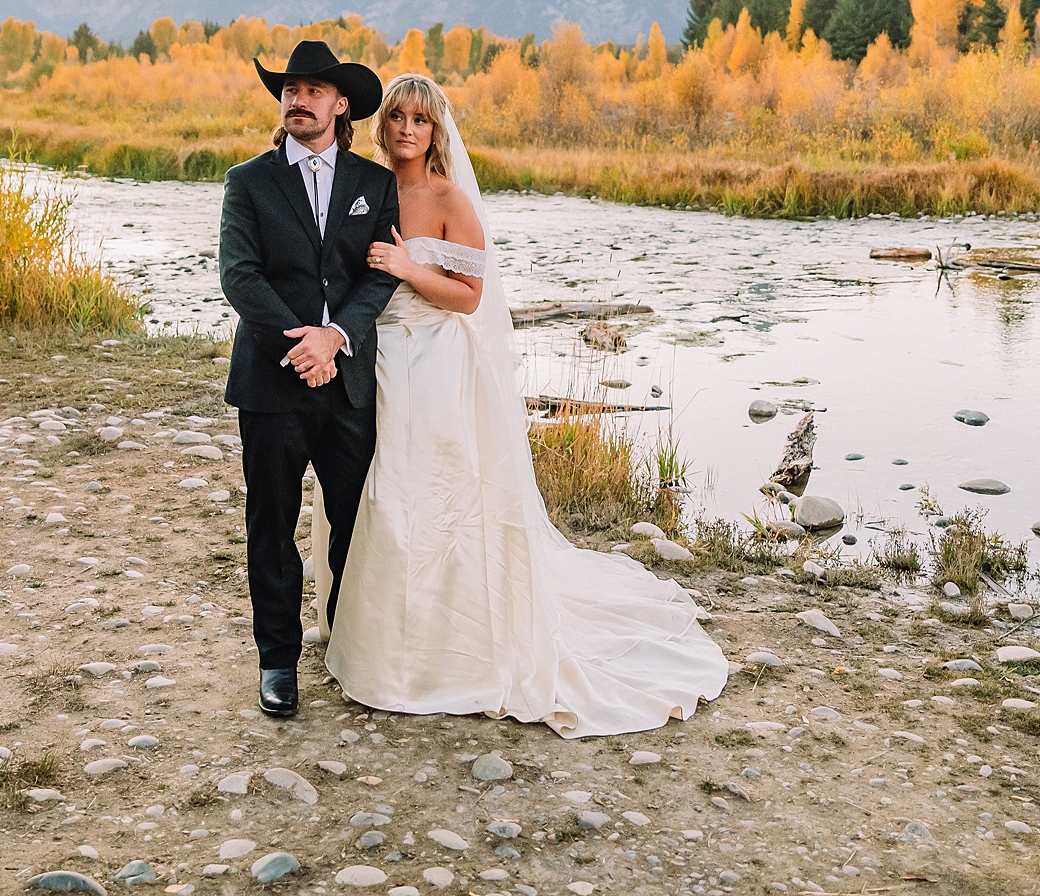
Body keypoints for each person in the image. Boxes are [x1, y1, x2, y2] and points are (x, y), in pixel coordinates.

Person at [318, 73, 728, 738]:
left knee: (420, 491)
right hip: (377, 355)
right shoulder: (364, 186)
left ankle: (445, 651)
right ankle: (379, 641)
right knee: (372, 489)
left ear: (435, 130)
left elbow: (469, 295)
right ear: (382, 123)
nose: (405, 130)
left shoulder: (449, 197)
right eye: (397, 117)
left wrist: (407, 267)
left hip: (435, 362)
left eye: (419, 120)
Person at [219, 40, 400, 718]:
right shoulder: (248, 182)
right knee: (271, 522)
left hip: (348, 382)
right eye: (290, 89)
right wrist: (301, 346)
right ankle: (276, 661)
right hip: (272, 381)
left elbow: (381, 271)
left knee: (359, 519)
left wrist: (336, 337)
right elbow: (239, 276)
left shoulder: (374, 184)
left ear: (340, 103)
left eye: (313, 90)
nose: (298, 99)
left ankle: (350, 645)